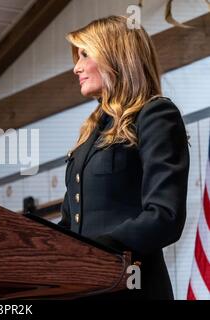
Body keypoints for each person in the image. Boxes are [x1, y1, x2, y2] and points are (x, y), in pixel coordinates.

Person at [59, 15, 189, 300]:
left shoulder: (155, 115)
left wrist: (90, 252)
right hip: (83, 289)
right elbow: (68, 226)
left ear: (114, 56)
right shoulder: (90, 133)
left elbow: (164, 216)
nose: (76, 68)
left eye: (84, 54)